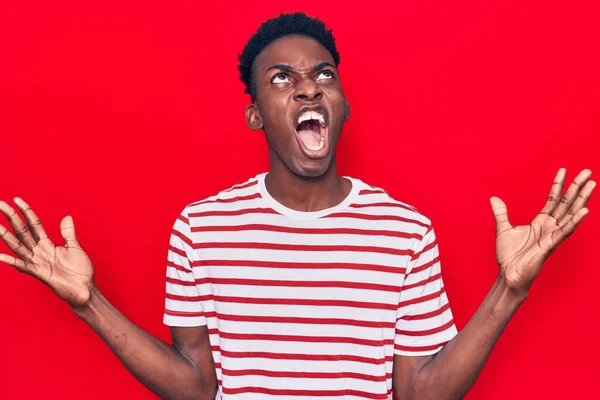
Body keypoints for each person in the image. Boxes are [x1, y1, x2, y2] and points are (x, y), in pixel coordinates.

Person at [0, 12, 595, 400]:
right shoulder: (200, 229)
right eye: (282, 78)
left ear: (343, 106)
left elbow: (418, 394)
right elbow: (198, 386)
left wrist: (509, 289)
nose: (308, 87)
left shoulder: (403, 230)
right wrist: (89, 305)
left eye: (323, 75)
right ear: (256, 115)